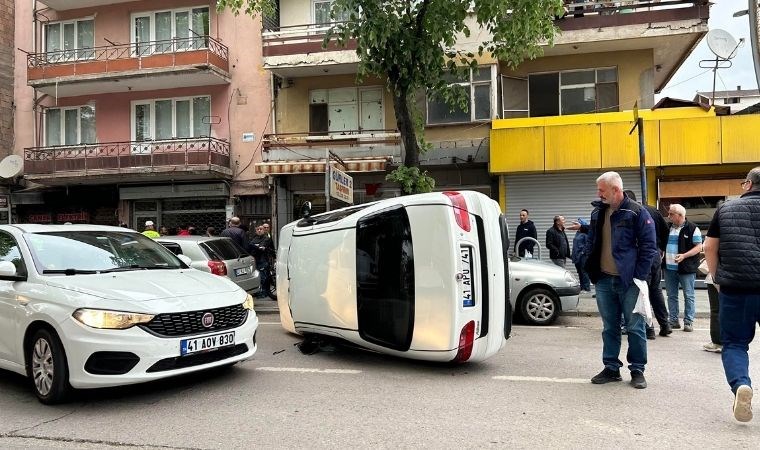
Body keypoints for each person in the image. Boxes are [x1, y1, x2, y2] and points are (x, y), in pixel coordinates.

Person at [584, 172, 657, 389]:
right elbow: (592, 241)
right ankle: (611, 368)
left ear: (615, 190)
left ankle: (637, 370)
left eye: (602, 190)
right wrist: (589, 266)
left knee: (635, 327)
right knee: (610, 327)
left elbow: (649, 247)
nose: (599, 194)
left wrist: (638, 277)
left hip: (629, 282)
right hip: (604, 280)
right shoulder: (597, 212)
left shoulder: (636, 212)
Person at [704, 167, 760, 422]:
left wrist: (716, 278)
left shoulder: (726, 209)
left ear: (748, 184)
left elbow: (709, 247)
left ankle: (740, 385)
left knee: (735, 344)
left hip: (736, 289)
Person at [624, 190, 671, 339]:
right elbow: (665, 230)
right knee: (655, 290)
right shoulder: (653, 210)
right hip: (655, 254)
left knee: (642, 291)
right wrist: (661, 247)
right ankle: (665, 325)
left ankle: (648, 328)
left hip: (641, 256)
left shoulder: (630, 212)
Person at [664, 203, 702, 332]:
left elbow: (699, 247)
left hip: (686, 268)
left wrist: (684, 256)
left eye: (671, 214)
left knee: (689, 295)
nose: (668, 216)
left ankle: (688, 321)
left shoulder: (692, 228)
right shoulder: (668, 228)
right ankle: (673, 320)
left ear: (680, 216)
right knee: (671, 295)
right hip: (669, 268)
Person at [700, 259, 721, 353]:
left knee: (716, 310)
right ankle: (732, 341)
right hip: (736, 277)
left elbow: (708, 248)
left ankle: (717, 342)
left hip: (716, 276)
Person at [249, 224, 275, 299]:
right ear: (256, 230)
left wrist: (255, 246)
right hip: (254, 259)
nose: (259, 230)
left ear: (263, 230)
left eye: (261, 229)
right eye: (258, 229)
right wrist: (256, 246)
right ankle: (258, 291)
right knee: (257, 276)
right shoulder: (254, 238)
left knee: (263, 277)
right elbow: (250, 246)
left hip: (263, 259)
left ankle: (263, 292)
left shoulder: (266, 238)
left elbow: (262, 248)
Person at [571, 219, 591, 292]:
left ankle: (587, 288)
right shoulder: (577, 233)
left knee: (584, 271)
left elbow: (587, 245)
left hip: (583, 256)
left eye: (578, 223)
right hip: (576, 255)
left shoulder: (585, 233)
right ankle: (582, 287)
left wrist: (582, 253)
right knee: (579, 271)